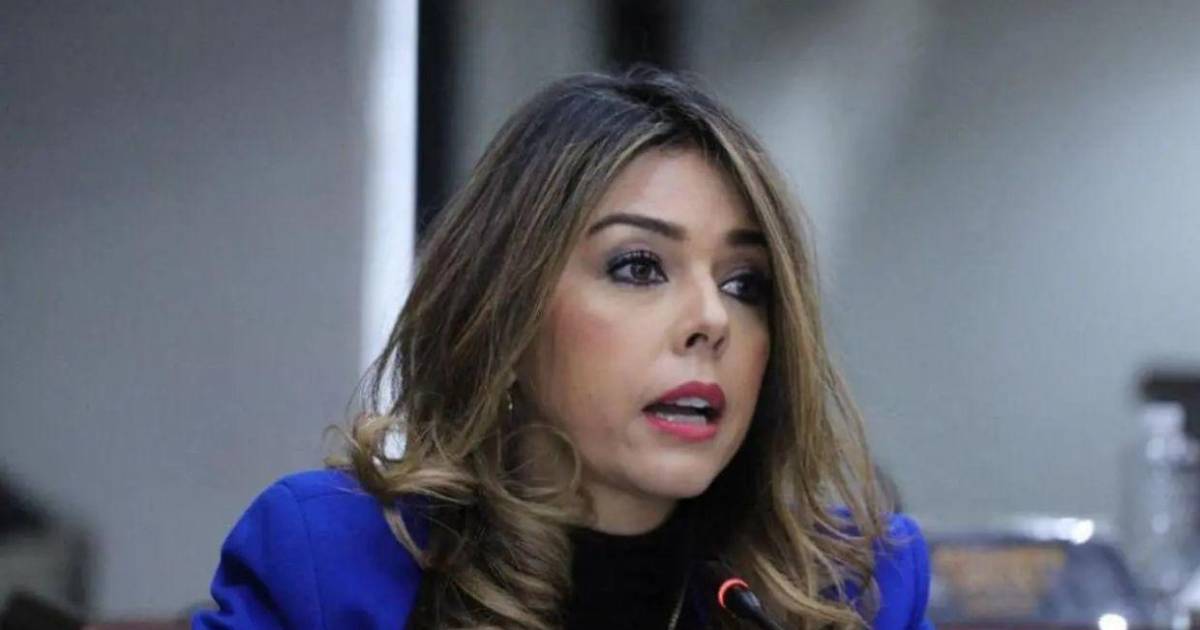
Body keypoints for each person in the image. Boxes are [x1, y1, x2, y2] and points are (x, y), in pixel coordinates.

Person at [192, 67, 933, 629]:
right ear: (506, 310)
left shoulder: (855, 588)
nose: (713, 320)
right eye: (638, 267)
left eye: (745, 284)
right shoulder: (329, 564)